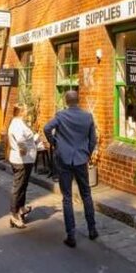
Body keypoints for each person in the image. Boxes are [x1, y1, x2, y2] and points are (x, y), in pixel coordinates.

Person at [43, 90, 98, 248]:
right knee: (86, 194)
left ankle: (71, 234)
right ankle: (92, 229)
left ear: (67, 101)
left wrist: (55, 143)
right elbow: (93, 139)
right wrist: (87, 152)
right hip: (81, 159)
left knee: (67, 198)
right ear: (78, 100)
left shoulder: (61, 116)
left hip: (64, 159)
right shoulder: (87, 116)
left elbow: (47, 128)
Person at [7, 104, 38, 229]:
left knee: (22, 185)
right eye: (25, 110)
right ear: (21, 112)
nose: (27, 112)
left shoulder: (18, 122)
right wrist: (23, 149)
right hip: (21, 160)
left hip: (24, 160)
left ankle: (20, 208)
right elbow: (20, 140)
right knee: (18, 187)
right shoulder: (18, 124)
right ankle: (14, 215)